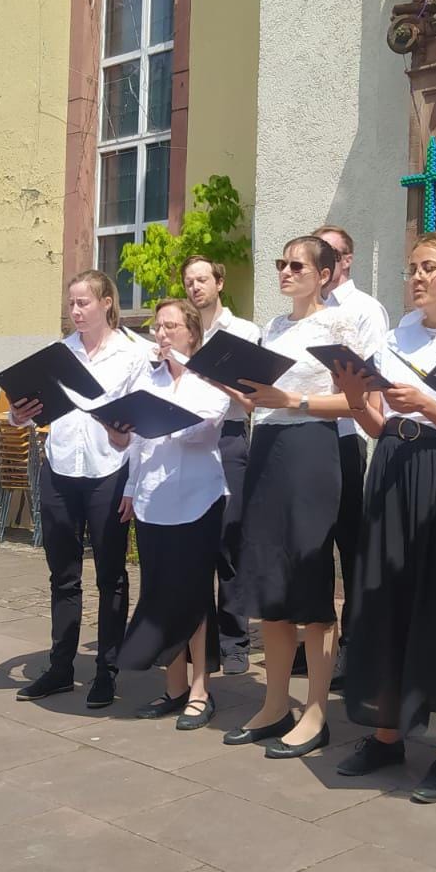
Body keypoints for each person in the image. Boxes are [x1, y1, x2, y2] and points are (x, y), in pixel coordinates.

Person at [336, 230, 436, 803]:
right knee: (385, 597)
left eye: (428, 268)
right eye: (412, 268)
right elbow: (375, 422)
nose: (417, 278)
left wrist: (427, 404)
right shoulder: (399, 332)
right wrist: (353, 393)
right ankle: (385, 732)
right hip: (394, 464)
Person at [217, 235, 364, 757]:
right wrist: (246, 393)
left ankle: (317, 712)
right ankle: (275, 703)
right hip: (269, 447)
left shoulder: (338, 325)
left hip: (311, 449)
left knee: (308, 579)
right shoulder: (275, 327)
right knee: (269, 578)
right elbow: (266, 394)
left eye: (296, 265)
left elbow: (358, 404)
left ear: (324, 274)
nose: (284, 271)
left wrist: (293, 399)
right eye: (280, 263)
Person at [8, 271, 150, 709]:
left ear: (107, 302)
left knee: (111, 575)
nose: (75, 311)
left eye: (84, 302)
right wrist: (18, 413)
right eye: (71, 303)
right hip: (61, 468)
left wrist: (136, 484)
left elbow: (144, 425)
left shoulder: (134, 354)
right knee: (63, 575)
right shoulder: (58, 354)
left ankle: (107, 671)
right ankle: (60, 667)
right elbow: (29, 416)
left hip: (110, 471)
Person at [106, 297, 230, 729]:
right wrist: (121, 449)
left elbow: (203, 432)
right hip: (153, 501)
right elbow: (133, 446)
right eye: (157, 327)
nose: (161, 334)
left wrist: (164, 417)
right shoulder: (149, 381)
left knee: (194, 594)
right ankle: (174, 687)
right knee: (159, 593)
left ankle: (200, 689)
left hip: (198, 498)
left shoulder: (209, 380)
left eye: (171, 327)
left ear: (192, 333)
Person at [313, 225, 389, 685]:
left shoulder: (364, 310)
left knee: (350, 544)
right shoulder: (307, 309)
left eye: (332, 254)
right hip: (310, 435)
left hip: (346, 432)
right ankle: (319, 638)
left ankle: (355, 643)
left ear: (346, 261)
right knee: (315, 543)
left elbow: (374, 374)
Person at [181, 255, 261, 676]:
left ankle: (235, 642)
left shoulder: (243, 332)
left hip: (228, 436)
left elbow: (251, 396)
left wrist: (213, 376)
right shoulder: (184, 333)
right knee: (197, 544)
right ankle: (200, 643)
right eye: (189, 281)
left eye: (202, 279)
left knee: (230, 541)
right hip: (188, 442)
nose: (195, 287)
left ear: (219, 282)